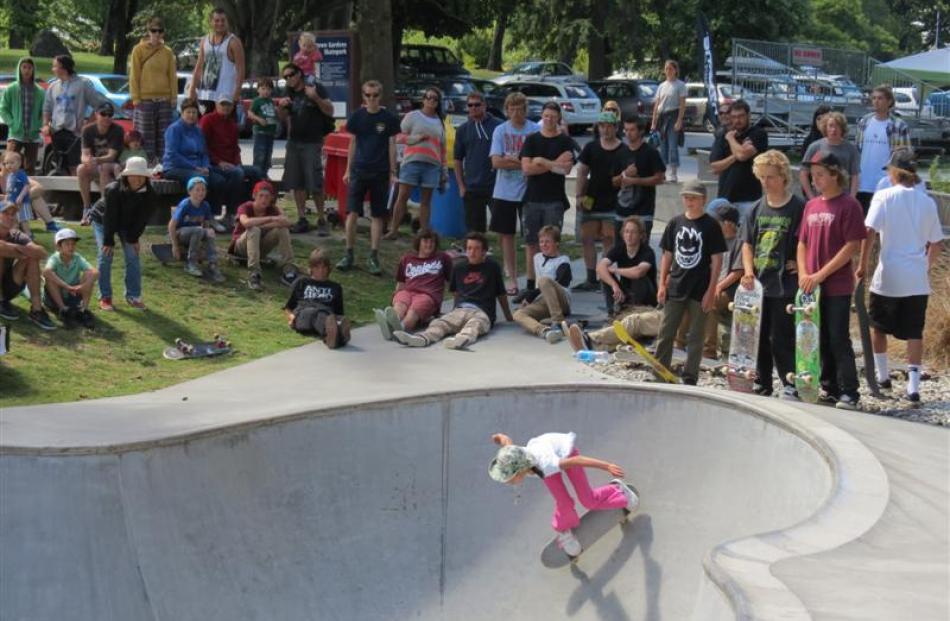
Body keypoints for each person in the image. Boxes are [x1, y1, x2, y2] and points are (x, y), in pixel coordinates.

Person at [858, 149, 943, 403]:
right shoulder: (927, 202)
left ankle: (883, 376)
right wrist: (924, 267)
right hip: (916, 277)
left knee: (878, 326)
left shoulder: (883, 196)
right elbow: (936, 243)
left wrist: (862, 265)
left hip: (888, 275)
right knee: (914, 331)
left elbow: (869, 231)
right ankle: (913, 387)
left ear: (894, 172)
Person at [488, 431, 639, 557]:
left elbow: (577, 460)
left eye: (509, 479)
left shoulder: (548, 464)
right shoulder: (512, 454)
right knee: (564, 503)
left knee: (588, 501)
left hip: (567, 454)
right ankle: (563, 530)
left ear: (520, 470)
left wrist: (607, 466)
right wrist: (499, 437)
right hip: (543, 459)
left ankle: (618, 491)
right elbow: (506, 441)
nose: (507, 482)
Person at [797, 152, 866, 410]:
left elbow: (852, 246)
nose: (815, 181)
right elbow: (801, 242)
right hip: (810, 285)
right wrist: (804, 273)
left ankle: (850, 391)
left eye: (820, 175)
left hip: (836, 284)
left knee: (838, 336)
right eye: (813, 176)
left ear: (835, 174)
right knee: (818, 336)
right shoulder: (811, 205)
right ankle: (829, 387)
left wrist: (820, 274)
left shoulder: (849, 205)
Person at [741, 150, 804, 398]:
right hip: (759, 282)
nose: (766, 182)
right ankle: (761, 381)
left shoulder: (798, 207)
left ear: (783, 177)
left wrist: (802, 265)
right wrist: (747, 272)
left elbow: (806, 241)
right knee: (758, 336)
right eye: (762, 177)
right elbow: (747, 243)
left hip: (785, 283)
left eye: (771, 177)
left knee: (781, 337)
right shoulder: (756, 209)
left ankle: (790, 381)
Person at [653, 180, 726, 385]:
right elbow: (667, 255)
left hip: (700, 287)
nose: (689, 201)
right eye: (686, 197)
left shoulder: (711, 225)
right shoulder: (675, 222)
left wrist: (711, 291)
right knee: (666, 332)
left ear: (703, 200)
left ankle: (690, 375)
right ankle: (659, 372)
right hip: (676, 285)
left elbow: (717, 260)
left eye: (693, 198)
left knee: (696, 336)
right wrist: (662, 284)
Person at [393, 231, 513, 349]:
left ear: (484, 251)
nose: (472, 252)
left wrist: (508, 316)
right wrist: (453, 310)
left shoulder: (492, 267)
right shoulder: (459, 267)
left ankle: (461, 339)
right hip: (461, 309)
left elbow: (501, 294)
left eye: (477, 249)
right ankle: (422, 338)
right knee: (439, 323)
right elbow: (456, 293)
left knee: (476, 324)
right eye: (469, 248)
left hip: (482, 311)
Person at [567, 216, 660, 352]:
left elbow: (639, 272)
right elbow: (600, 267)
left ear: (641, 235)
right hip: (625, 295)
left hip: (644, 300)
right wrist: (614, 285)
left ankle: (590, 339)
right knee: (606, 276)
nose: (629, 235)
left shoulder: (647, 252)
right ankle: (596, 340)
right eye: (626, 231)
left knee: (640, 278)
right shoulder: (620, 248)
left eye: (633, 232)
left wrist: (616, 270)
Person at [339, 79, 400, 275]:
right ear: (363, 96)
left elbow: (392, 145)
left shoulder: (389, 118)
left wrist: (392, 172)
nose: (371, 99)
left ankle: (374, 256)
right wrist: (348, 170)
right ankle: (349, 253)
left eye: (375, 96)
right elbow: (353, 143)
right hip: (359, 170)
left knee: (377, 214)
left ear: (380, 96)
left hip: (380, 172)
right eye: (367, 95)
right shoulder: (357, 116)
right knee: (352, 212)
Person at [520, 102, 575, 298]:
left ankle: (553, 283)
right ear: (541, 117)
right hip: (532, 198)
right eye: (546, 116)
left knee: (552, 241)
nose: (549, 119)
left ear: (558, 118)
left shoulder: (565, 141)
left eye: (553, 116)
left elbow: (566, 169)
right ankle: (530, 284)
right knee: (532, 242)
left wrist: (542, 161)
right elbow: (526, 168)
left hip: (555, 199)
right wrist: (554, 163)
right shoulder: (532, 140)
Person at [90, 156, 157, 311]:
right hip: (103, 220)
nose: (138, 179)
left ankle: (133, 296)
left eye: (141, 176)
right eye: (134, 174)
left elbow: (142, 219)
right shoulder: (113, 190)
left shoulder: (150, 194)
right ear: (127, 175)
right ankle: (105, 297)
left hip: (127, 225)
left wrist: (133, 238)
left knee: (133, 255)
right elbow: (110, 216)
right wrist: (108, 241)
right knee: (105, 255)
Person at [489, 92, 540, 294]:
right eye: (512, 108)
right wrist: (524, 163)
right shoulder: (500, 130)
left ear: (525, 109)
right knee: (506, 236)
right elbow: (496, 161)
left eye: (520, 108)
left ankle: (533, 277)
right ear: (507, 110)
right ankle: (512, 279)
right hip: (504, 192)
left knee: (531, 237)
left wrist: (513, 160)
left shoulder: (535, 130)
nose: (516, 112)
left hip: (530, 191)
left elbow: (538, 161)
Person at [278, 63, 335, 235]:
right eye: (285, 77)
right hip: (294, 141)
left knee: (315, 181)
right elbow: (282, 118)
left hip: (312, 142)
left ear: (299, 74)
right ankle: (302, 218)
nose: (289, 79)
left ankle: (321, 220)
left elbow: (330, 111)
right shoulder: (288, 92)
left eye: (291, 75)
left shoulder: (315, 88)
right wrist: (281, 107)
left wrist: (316, 98)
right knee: (297, 182)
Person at [386, 87, 447, 239]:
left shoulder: (440, 122)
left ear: (438, 103)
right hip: (412, 162)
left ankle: (424, 233)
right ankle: (394, 230)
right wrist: (416, 139)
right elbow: (398, 136)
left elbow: (442, 149)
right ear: (423, 99)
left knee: (426, 201)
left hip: (432, 165)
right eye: (428, 97)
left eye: (435, 99)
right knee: (403, 197)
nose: (431, 100)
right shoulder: (412, 116)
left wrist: (443, 171)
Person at [573, 111, 624, 292]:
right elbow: (581, 172)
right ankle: (590, 278)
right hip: (591, 200)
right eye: (602, 125)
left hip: (613, 201)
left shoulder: (623, 149)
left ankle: (607, 277)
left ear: (616, 128)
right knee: (588, 238)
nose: (606, 129)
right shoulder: (591, 147)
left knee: (609, 239)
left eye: (610, 126)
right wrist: (579, 195)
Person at [162, 98, 232, 228]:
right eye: (188, 112)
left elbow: (204, 153)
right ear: (182, 113)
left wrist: (205, 166)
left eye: (194, 112)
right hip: (175, 167)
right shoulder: (174, 129)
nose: (191, 115)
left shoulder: (198, 131)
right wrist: (195, 167)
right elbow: (173, 154)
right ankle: (189, 217)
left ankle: (211, 217)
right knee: (198, 180)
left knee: (219, 180)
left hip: (198, 167)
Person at [375, 229, 453, 339]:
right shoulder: (407, 259)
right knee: (400, 305)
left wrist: (457, 305)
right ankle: (392, 325)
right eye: (425, 241)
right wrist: (394, 297)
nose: (429, 244)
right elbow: (401, 283)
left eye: (432, 242)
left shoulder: (442, 258)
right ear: (419, 242)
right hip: (408, 291)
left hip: (428, 295)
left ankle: (401, 329)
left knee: (413, 311)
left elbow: (453, 282)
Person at [42, 55, 111, 175]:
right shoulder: (53, 86)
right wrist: (46, 125)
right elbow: (47, 108)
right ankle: (62, 193)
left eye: (55, 66)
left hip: (75, 133)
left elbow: (100, 105)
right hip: (57, 131)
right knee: (60, 167)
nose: (52, 69)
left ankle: (77, 192)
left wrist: (88, 124)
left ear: (63, 68)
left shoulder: (82, 84)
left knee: (75, 166)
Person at [198, 94, 262, 216]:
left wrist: (237, 162)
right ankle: (231, 213)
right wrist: (219, 162)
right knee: (237, 173)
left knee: (256, 171)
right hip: (213, 164)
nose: (226, 107)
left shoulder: (232, 124)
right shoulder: (207, 120)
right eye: (223, 104)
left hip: (231, 164)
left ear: (232, 107)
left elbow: (235, 148)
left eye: (228, 104)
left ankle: (252, 210)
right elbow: (203, 147)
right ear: (216, 105)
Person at [708, 99, 768, 226]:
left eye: (741, 116)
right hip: (724, 198)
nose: (737, 120)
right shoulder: (722, 136)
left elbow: (742, 156)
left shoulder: (758, 134)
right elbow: (714, 166)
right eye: (734, 117)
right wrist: (736, 154)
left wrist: (730, 139)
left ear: (748, 116)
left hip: (749, 199)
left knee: (744, 240)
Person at [230, 180, 297, 291]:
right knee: (254, 229)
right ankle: (254, 273)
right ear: (254, 196)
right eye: (261, 196)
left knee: (282, 229)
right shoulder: (245, 207)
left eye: (267, 196)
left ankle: (288, 270)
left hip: (260, 247)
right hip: (241, 247)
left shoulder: (273, 209)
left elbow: (287, 222)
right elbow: (246, 222)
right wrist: (271, 219)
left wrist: (264, 224)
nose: (264, 199)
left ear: (271, 198)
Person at [128, 16, 177, 164]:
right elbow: (134, 75)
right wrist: (136, 98)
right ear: (148, 31)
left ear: (163, 33)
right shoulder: (138, 50)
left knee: (164, 136)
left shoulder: (167, 52)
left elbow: (172, 76)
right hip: (145, 99)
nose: (156, 34)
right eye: (153, 30)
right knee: (145, 137)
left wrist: (173, 97)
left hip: (164, 99)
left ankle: (163, 165)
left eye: (159, 31)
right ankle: (146, 164)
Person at [512, 225, 572, 343]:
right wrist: (531, 298)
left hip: (561, 300)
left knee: (544, 280)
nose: (544, 245)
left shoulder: (564, 260)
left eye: (548, 242)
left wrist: (530, 296)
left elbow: (560, 282)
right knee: (518, 314)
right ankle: (545, 331)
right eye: (541, 242)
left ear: (556, 243)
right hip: (543, 300)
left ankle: (558, 321)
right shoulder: (537, 258)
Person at [855, 85, 910, 214]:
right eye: (873, 98)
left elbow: (905, 156)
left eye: (880, 98)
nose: (876, 101)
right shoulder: (864, 122)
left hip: (886, 184)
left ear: (889, 101)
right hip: (863, 183)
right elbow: (857, 150)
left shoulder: (899, 125)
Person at [0, 201, 55, 329]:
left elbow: (42, 253)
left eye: (13, 214)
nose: (10, 216)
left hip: (9, 284)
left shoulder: (16, 234)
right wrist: (20, 250)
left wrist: (15, 248)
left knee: (32, 258)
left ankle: (36, 309)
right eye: (5, 213)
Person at [454, 91, 502, 234]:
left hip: (496, 185)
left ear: (484, 105)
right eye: (470, 105)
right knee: (475, 230)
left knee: (501, 226)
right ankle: (477, 253)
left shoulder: (498, 126)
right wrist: (461, 186)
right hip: (472, 187)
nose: (473, 108)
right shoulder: (463, 129)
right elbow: (457, 159)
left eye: (477, 104)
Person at [283, 247, 351, 349]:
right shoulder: (302, 282)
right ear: (311, 268)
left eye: (324, 267)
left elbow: (338, 313)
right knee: (315, 314)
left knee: (326, 317)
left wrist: (336, 319)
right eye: (317, 267)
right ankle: (335, 335)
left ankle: (333, 335)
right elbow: (288, 307)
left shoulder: (335, 287)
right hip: (304, 313)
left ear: (328, 269)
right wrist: (291, 318)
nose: (321, 271)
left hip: (325, 313)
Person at [703, 202, 744, 360]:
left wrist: (717, 286)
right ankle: (678, 344)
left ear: (727, 223)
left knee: (710, 302)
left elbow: (738, 271)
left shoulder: (741, 241)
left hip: (731, 291)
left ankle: (709, 351)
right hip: (713, 285)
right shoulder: (714, 240)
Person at [614, 115, 665, 241]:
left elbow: (660, 178)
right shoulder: (621, 152)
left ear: (641, 131)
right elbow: (613, 181)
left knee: (641, 251)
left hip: (644, 212)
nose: (628, 133)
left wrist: (636, 181)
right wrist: (625, 174)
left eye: (632, 130)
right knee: (621, 251)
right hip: (622, 211)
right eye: (626, 130)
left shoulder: (650, 152)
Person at [188, 7, 245, 114]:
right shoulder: (204, 40)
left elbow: (241, 70)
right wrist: (192, 89)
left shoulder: (233, 42)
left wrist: (236, 93)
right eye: (217, 20)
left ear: (227, 21)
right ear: (211, 22)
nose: (220, 23)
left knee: (223, 130)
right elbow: (199, 66)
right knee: (204, 128)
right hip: (205, 94)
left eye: (223, 20)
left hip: (225, 97)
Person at [168, 176, 225, 282]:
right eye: (197, 189)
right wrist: (174, 246)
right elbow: (171, 225)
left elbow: (206, 225)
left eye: (203, 189)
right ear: (190, 191)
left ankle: (212, 264)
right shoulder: (185, 204)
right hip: (180, 234)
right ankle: (191, 263)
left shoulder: (205, 205)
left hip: (196, 233)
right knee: (198, 229)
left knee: (209, 231)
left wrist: (204, 244)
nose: (201, 192)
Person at [78, 103, 125, 224]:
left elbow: (112, 156)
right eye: (103, 114)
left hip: (113, 166)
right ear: (96, 114)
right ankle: (86, 208)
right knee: (81, 169)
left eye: (110, 115)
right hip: (95, 164)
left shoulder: (118, 130)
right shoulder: (87, 130)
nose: (107, 117)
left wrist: (95, 160)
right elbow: (84, 154)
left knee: (104, 167)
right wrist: (87, 161)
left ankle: (103, 208)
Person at [42, 228, 96, 328]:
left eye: (73, 244)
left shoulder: (77, 257)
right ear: (59, 246)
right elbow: (46, 272)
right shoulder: (54, 258)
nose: (71, 247)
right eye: (67, 244)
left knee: (89, 274)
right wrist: (67, 286)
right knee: (50, 277)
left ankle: (83, 311)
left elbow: (95, 272)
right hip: (55, 297)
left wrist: (82, 286)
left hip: (73, 294)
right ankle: (63, 310)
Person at [0, 57, 44, 174]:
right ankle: (4, 190)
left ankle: (26, 191)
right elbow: (3, 108)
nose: (27, 70)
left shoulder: (39, 91)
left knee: (30, 168)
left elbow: (44, 111)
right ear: (19, 69)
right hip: (16, 134)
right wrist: (12, 123)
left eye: (29, 68)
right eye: (24, 67)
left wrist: (38, 124)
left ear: (33, 70)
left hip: (33, 135)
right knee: (8, 164)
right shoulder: (11, 89)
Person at [800, 112, 860, 198]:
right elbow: (803, 173)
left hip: (843, 198)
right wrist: (811, 197)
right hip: (820, 198)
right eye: (831, 126)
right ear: (825, 127)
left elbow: (855, 176)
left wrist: (852, 197)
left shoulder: (851, 149)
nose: (834, 129)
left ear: (842, 128)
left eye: (837, 126)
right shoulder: (815, 147)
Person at [650, 60, 687, 182]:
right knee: (663, 146)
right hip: (662, 117)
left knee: (672, 145)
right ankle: (663, 172)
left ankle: (673, 173)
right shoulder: (661, 86)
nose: (668, 71)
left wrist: (679, 121)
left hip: (673, 116)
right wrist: (653, 122)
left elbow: (682, 105)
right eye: (666, 69)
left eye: (671, 68)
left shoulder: (680, 85)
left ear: (676, 70)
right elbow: (657, 105)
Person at [248, 78, 278, 176]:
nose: (266, 91)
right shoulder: (257, 101)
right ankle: (257, 176)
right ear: (258, 90)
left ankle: (264, 174)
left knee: (268, 155)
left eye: (268, 89)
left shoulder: (271, 101)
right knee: (260, 155)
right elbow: (250, 113)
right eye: (263, 88)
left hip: (270, 133)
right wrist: (258, 119)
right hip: (260, 132)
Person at [2, 151, 33, 238]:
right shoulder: (10, 175)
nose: (9, 165)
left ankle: (28, 235)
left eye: (12, 163)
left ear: (19, 163)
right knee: (14, 219)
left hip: (22, 202)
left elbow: (27, 185)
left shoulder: (21, 174)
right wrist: (6, 199)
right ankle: (15, 235)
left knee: (23, 219)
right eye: (7, 163)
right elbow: (9, 190)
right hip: (12, 202)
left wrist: (21, 196)